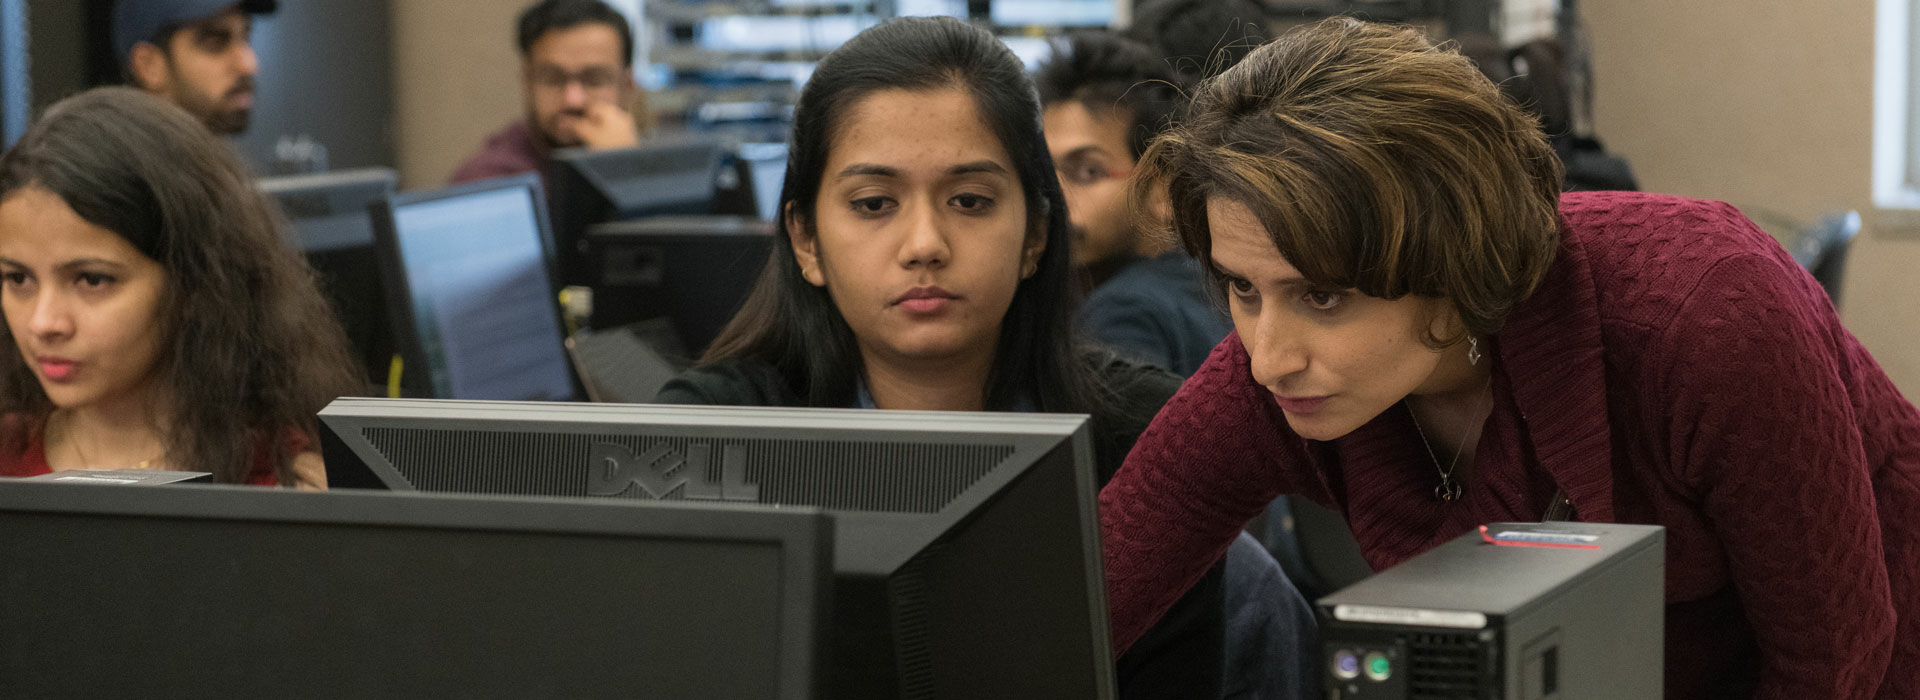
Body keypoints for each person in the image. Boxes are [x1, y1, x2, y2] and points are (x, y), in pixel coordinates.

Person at [1098, 18, 1920, 700]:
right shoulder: (1273, 375)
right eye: (1243, 289)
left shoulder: (1704, 310)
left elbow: (1834, 662)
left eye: (1323, 297)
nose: (1269, 358)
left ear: (1452, 275)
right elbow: (1091, 598)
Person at [653, 16, 1314, 699]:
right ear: (806, 241)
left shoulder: (1143, 443)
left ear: (1034, 234)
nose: (924, 243)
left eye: (970, 200)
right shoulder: (707, 440)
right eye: (874, 203)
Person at [0, 87, 362, 488]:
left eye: (91, 280)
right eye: (18, 279)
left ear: (193, 285)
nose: (43, 322)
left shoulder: (284, 481)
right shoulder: (8, 452)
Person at [1037, 31, 1231, 376]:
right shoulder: (1221, 282)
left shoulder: (1122, 314)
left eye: (1087, 171)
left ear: (1163, 187)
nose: (1054, 197)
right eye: (1044, 172)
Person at [451, 0, 649, 184]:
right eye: (553, 79)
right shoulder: (491, 180)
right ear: (527, 81)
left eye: (593, 80)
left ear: (627, 86)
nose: (573, 100)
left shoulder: (653, 164)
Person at [113, 0, 275, 136]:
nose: (249, 65)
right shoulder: (120, 171)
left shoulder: (202, 168)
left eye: (245, 37)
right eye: (215, 42)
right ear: (148, 65)